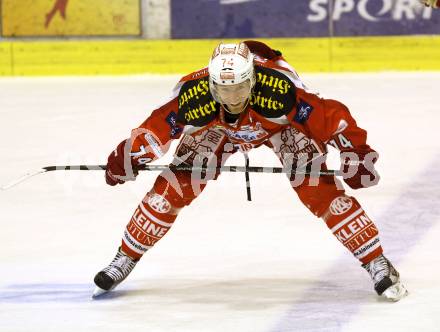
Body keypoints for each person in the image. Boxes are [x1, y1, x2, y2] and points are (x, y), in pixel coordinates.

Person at [93, 40, 408, 301]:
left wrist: (355, 151)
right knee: (175, 185)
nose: (232, 97)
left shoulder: (278, 93)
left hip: (278, 128)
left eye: (240, 88)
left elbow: (330, 116)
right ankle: (126, 257)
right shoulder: (196, 97)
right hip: (217, 129)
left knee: (319, 190)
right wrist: (131, 155)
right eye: (224, 90)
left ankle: (377, 262)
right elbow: (159, 125)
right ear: (212, 84)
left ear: (253, 79)